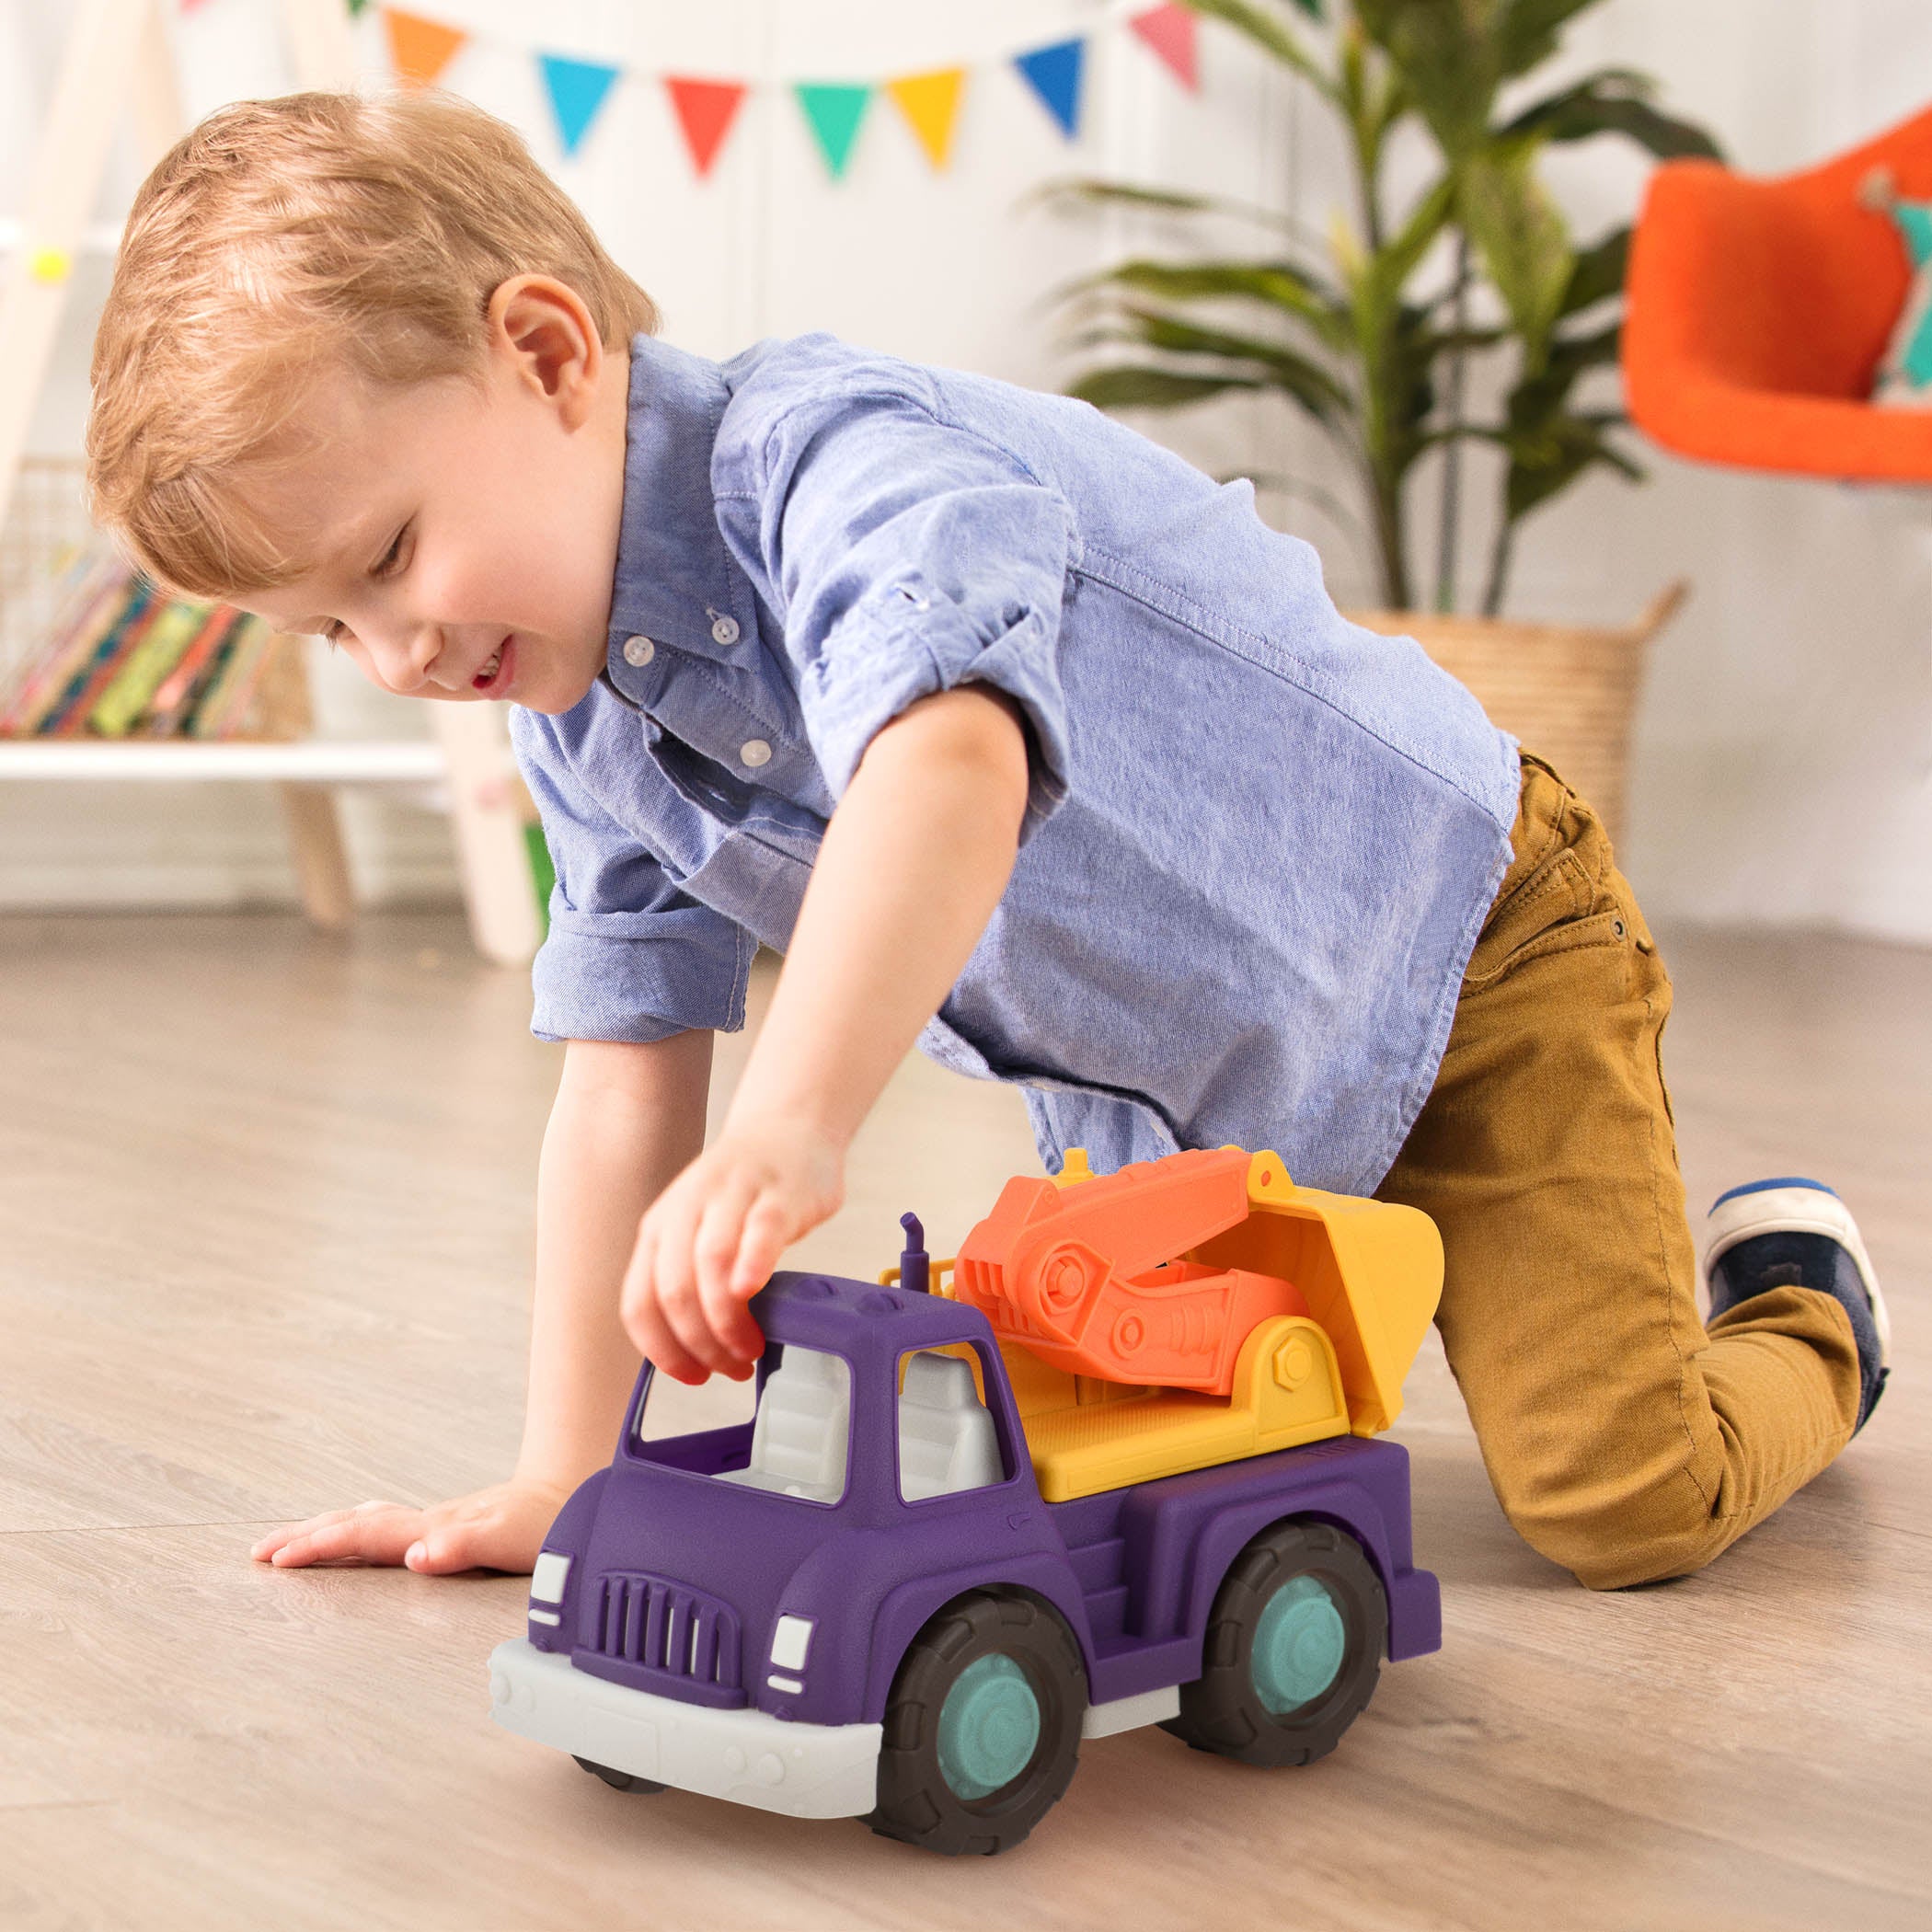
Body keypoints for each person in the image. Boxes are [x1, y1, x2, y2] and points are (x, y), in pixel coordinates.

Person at [84, 90, 1888, 1594]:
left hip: (1464, 955)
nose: (401, 658)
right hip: (1190, 1126)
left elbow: (948, 764)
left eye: (391, 559)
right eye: (332, 630)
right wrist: (571, 1474)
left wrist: (795, 1122)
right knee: (1063, 1499)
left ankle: (1804, 1302)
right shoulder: (575, 711)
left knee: (1617, 1500)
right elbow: (625, 1062)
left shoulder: (841, 463)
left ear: (548, 352)